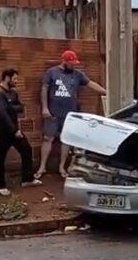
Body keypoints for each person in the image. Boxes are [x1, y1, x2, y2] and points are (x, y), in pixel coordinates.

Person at [36, 50, 107, 181]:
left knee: (66, 140)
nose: (73, 65)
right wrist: (45, 108)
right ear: (65, 61)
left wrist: (105, 91)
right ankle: (42, 166)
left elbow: (90, 83)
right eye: (71, 63)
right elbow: (44, 89)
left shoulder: (77, 74)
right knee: (48, 138)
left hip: (69, 114)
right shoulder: (52, 72)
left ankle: (62, 167)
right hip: (53, 112)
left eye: (74, 63)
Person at [0, 68, 34, 196]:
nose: (16, 81)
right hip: (1, 131)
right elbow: (3, 114)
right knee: (0, 157)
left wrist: (9, 106)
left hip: (13, 130)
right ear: (7, 78)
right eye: (14, 78)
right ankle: (1, 186)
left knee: (26, 149)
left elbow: (20, 107)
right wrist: (14, 130)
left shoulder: (13, 93)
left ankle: (27, 179)